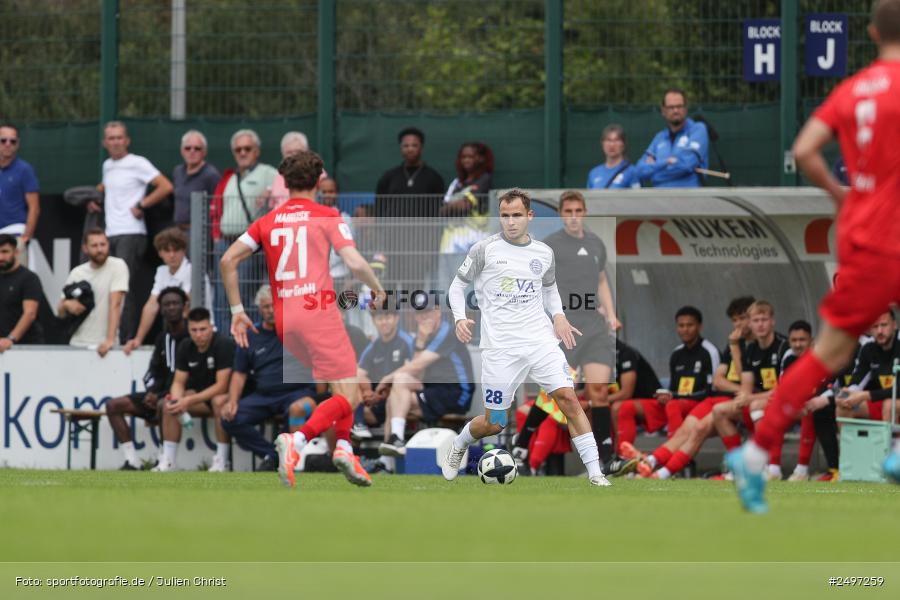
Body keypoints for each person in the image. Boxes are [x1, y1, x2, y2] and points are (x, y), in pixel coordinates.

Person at [730, 0, 900, 510]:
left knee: (830, 353)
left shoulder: (851, 91)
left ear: (871, 32)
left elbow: (805, 149)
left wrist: (840, 193)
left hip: (861, 233)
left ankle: (756, 454)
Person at [220, 150, 386, 489]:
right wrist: (378, 289)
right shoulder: (328, 214)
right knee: (351, 393)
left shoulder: (267, 220)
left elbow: (227, 260)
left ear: (284, 181)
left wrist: (238, 312)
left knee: (342, 385)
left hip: (285, 320)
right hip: (318, 312)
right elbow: (354, 263)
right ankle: (297, 441)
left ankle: (343, 449)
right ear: (319, 179)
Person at [444, 188, 612, 487]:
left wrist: (558, 316)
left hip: (540, 341)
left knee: (568, 399)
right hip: (500, 348)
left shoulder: (543, 253)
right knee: (494, 423)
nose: (510, 222)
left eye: (517, 215)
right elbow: (457, 287)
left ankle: (596, 473)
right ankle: (459, 444)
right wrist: (459, 318)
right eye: (505, 216)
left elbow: (549, 289)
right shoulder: (484, 250)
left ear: (529, 216)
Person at [220, 285, 318, 472]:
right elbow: (239, 373)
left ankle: (295, 461)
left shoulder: (297, 331)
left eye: (275, 305)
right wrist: (232, 401)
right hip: (264, 395)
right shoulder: (250, 335)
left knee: (296, 410)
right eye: (266, 306)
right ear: (259, 309)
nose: (271, 310)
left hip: (295, 392)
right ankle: (272, 455)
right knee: (229, 418)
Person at [97, 121, 173, 342]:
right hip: (110, 234)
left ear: (127, 140)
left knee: (123, 288)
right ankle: (110, 335)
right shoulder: (107, 166)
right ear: (105, 142)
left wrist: (142, 205)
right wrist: (97, 195)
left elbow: (165, 186)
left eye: (119, 137)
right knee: (110, 287)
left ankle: (124, 339)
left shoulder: (137, 163)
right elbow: (107, 186)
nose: (115, 142)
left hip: (131, 234)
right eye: (111, 138)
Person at [375, 302, 475, 458]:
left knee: (397, 389)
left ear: (437, 313)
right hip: (433, 390)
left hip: (456, 393)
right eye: (420, 314)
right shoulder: (420, 337)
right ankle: (390, 453)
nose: (424, 318)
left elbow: (417, 365)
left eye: (428, 313)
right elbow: (417, 374)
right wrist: (421, 340)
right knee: (396, 392)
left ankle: (395, 443)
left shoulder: (447, 331)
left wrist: (386, 379)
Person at [105, 287, 189, 470]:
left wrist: (160, 395)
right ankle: (132, 460)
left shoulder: (194, 335)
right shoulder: (162, 338)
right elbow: (152, 372)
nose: (171, 308)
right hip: (158, 393)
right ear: (161, 309)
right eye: (167, 304)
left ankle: (166, 459)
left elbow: (193, 376)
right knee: (113, 405)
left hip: (182, 394)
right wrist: (151, 392)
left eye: (175, 303)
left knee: (163, 404)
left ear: (184, 306)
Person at [714, 300, 789, 480]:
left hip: (787, 402)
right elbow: (746, 383)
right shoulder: (751, 349)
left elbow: (785, 390)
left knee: (756, 405)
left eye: (764, 319)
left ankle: (767, 467)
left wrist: (750, 398)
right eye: (755, 320)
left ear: (772, 321)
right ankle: (739, 467)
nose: (760, 324)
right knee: (719, 411)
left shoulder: (783, 347)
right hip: (760, 400)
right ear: (750, 323)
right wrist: (744, 397)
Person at [211, 129, 278, 323]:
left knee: (245, 294)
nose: (242, 153)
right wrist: (216, 236)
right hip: (225, 241)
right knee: (222, 296)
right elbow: (216, 209)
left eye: (247, 148)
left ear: (256, 151)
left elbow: (285, 188)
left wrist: (270, 191)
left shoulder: (268, 173)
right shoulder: (230, 178)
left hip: (249, 242)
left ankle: (249, 341)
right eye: (238, 149)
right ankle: (226, 341)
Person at [155, 308, 234, 472]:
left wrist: (188, 400)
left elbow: (222, 386)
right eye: (194, 330)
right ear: (188, 329)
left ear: (211, 327)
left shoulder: (223, 344)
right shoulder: (185, 346)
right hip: (201, 398)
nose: (199, 334)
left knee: (218, 401)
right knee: (169, 404)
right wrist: (178, 402)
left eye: (203, 329)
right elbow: (178, 381)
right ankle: (168, 461)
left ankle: (222, 462)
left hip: (226, 398)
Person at [124, 227, 210, 354]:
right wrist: (138, 339)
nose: (172, 255)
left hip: (200, 335)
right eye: (167, 250)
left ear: (184, 251)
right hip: (175, 337)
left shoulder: (194, 271)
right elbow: (151, 306)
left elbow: (186, 308)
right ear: (160, 253)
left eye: (176, 250)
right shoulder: (161, 271)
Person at [58, 228, 129, 356]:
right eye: (94, 245)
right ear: (85, 248)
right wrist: (66, 304)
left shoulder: (118, 266)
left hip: (106, 347)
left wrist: (109, 340)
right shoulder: (77, 272)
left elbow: (116, 304)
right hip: (77, 343)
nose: (100, 249)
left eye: (103, 244)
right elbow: (60, 312)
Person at [353, 305, 415, 442]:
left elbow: (415, 370)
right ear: (374, 321)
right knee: (347, 403)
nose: (384, 322)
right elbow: (358, 372)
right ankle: (358, 429)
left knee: (394, 396)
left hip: (401, 395)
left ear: (396, 319)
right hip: (378, 398)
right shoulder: (374, 346)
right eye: (379, 318)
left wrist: (387, 383)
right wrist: (367, 390)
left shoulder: (407, 341)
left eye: (387, 317)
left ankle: (387, 451)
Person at [635, 89, 709, 188]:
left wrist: (654, 171)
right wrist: (665, 162)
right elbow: (640, 171)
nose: (675, 110)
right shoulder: (659, 137)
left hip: (689, 199)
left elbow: (686, 165)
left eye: (679, 106)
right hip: (660, 200)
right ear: (663, 111)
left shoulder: (697, 129)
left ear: (685, 108)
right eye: (671, 107)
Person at [836, 311, 900, 423]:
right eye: (875, 326)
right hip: (879, 400)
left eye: (884, 325)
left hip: (894, 402)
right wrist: (847, 394)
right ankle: (849, 441)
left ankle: (892, 441)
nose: (879, 331)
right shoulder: (868, 350)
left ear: (895, 325)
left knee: (890, 405)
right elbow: (857, 380)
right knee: (844, 406)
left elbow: (898, 390)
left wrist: (864, 395)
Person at [375, 127, 445, 217]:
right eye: (406, 146)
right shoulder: (388, 177)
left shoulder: (434, 177)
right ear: (401, 148)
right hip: (393, 229)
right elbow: (380, 206)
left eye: (414, 145)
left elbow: (439, 208)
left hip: (424, 229)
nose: (410, 149)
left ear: (421, 148)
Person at [0, 123, 39, 261]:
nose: (8, 144)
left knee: (16, 280)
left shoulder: (24, 170)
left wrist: (25, 238)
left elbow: (34, 207)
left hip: (15, 233)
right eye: (3, 140)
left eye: (13, 141)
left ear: (18, 144)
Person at [0, 233, 43, 349]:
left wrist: (11, 339)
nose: (1, 257)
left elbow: (30, 313)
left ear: (16, 252)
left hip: (25, 347)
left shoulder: (29, 278)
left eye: (5, 252)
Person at [172, 130, 220, 233]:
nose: (192, 151)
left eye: (197, 148)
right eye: (187, 148)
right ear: (182, 150)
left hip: (199, 232)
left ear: (204, 152)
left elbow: (217, 207)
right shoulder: (178, 171)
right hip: (178, 230)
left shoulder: (211, 175)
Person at [586, 124, 640, 189]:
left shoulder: (632, 172)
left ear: (623, 144)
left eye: (616, 140)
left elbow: (637, 197)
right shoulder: (594, 173)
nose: (612, 144)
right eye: (608, 140)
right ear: (602, 143)